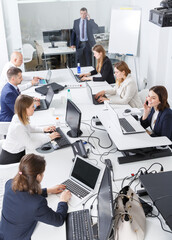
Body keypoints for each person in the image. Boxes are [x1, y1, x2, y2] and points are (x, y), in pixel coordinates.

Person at [0, 153, 71, 240]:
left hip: (4, 233)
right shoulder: (37, 204)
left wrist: (48, 191)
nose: (43, 175)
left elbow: (24, 197)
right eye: (42, 173)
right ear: (38, 176)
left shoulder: (9, 184)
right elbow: (58, 221)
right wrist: (63, 201)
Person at [0, 95, 60, 165]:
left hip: (16, 152)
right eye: (32, 107)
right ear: (25, 109)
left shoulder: (18, 116)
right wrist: (49, 137)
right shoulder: (18, 127)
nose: (34, 108)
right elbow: (31, 146)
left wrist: (43, 129)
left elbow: (29, 128)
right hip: (12, 158)